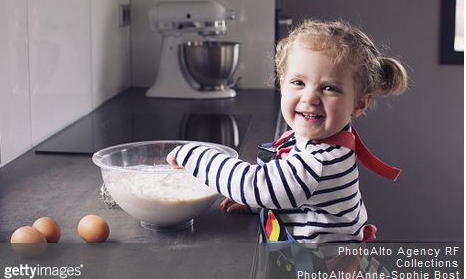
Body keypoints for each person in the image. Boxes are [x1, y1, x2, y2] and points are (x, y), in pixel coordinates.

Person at [167, 18, 408, 244]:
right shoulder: (319, 139)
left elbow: (258, 185)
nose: (310, 97)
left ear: (358, 104)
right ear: (281, 84)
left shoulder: (321, 162)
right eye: (299, 82)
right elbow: (291, 190)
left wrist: (195, 155)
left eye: (330, 88)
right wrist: (261, 204)